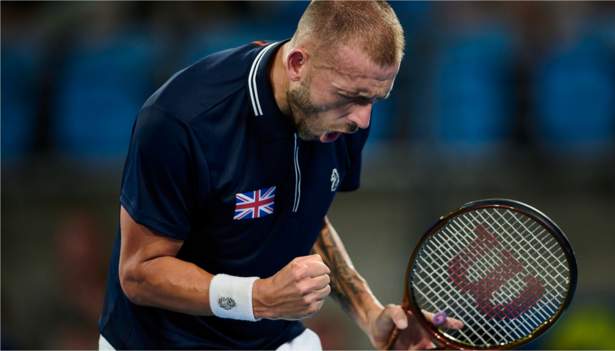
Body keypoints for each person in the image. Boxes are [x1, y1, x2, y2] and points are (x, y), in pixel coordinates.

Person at [98, 1, 462, 349]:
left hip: (275, 340)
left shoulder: (343, 115)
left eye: (374, 100)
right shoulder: (180, 121)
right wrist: (259, 299)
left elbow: (303, 216)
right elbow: (139, 273)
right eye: (350, 97)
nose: (362, 120)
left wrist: (370, 314)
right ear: (298, 64)